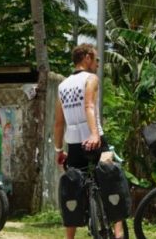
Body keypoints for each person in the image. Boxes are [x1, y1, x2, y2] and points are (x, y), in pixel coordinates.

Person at [53, 44, 120, 239]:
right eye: (97, 60)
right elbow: (89, 105)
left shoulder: (62, 86)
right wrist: (94, 135)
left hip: (73, 145)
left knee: (73, 188)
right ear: (88, 58)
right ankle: (118, 233)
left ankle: (69, 238)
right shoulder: (91, 79)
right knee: (112, 179)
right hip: (94, 140)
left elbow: (58, 123)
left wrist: (59, 150)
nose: (98, 64)